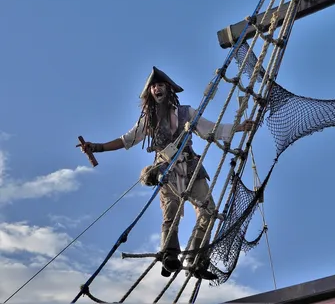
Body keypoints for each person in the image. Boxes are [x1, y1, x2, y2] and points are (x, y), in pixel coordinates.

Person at [78, 66, 254, 280]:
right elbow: (126, 140)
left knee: (209, 211)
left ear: (169, 89)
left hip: (191, 169)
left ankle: (197, 258)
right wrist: (97, 147)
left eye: (160, 85)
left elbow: (211, 129)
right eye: (153, 86)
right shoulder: (148, 120)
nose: (156, 88)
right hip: (166, 170)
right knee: (170, 212)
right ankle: (170, 255)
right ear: (150, 93)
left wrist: (239, 128)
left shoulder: (186, 113)